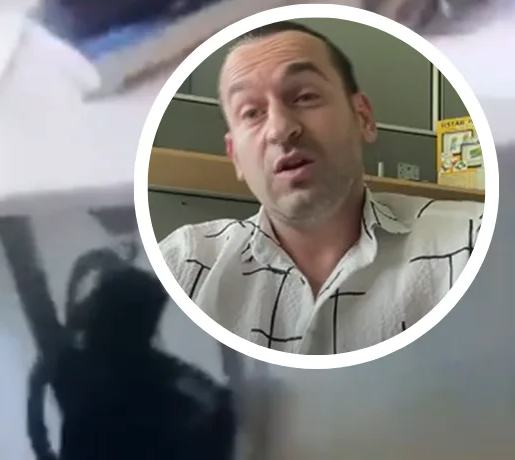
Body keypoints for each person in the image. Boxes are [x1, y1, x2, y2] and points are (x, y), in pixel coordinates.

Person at [159, 21, 484, 355]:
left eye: (305, 97)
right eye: (252, 113)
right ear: (235, 157)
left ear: (363, 118)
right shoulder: (183, 266)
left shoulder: (475, 243)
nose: (280, 129)